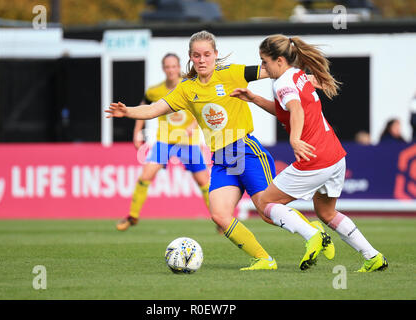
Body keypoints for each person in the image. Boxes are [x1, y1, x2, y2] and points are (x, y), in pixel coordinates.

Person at [106, 30, 333, 271]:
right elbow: (154, 109)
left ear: (215, 55)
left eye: (206, 54)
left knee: (267, 212)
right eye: (196, 55)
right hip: (223, 158)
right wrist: (128, 111)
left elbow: (275, 70)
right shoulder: (186, 89)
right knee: (220, 215)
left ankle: (314, 232)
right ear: (190, 58)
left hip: (246, 150)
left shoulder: (232, 73)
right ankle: (264, 259)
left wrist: (304, 79)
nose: (202, 60)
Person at [231, 34, 388, 272]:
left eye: (265, 61)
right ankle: (373, 256)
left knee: (264, 204)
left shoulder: (283, 82)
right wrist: (255, 99)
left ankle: (312, 234)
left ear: (280, 60)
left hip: (314, 158)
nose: (263, 67)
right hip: (335, 156)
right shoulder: (297, 75)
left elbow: (294, 108)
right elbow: (286, 109)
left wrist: (294, 139)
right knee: (326, 212)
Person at [116, 53, 211, 231]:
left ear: (179, 67)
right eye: (167, 67)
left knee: (204, 182)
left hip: (188, 143)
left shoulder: (190, 85)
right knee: (146, 175)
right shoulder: (155, 91)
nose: (171, 70)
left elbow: (203, 108)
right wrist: (137, 131)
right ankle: (132, 216)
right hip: (165, 142)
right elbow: (143, 108)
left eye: (174, 66)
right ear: (163, 69)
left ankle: (218, 219)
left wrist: (192, 125)